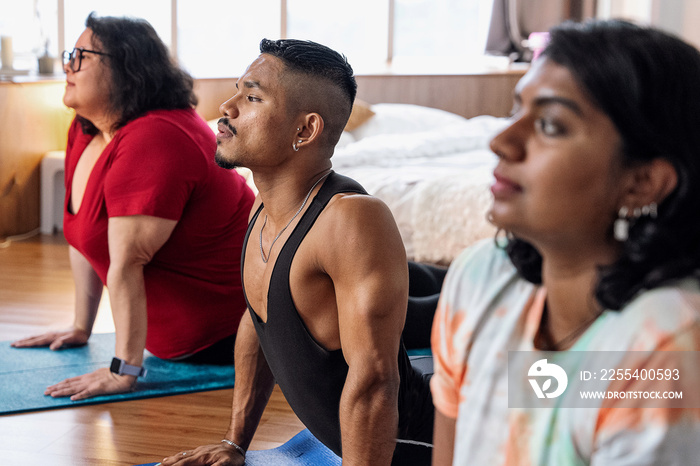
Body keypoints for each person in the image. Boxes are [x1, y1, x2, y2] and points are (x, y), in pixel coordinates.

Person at [430, 19, 700, 466]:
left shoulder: (664, 345)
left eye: (551, 126)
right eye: (517, 110)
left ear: (642, 183)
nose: (501, 141)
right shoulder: (480, 277)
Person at [161, 39, 434, 466]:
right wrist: (235, 443)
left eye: (251, 97)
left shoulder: (353, 220)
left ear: (305, 130)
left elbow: (375, 382)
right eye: (237, 91)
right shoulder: (264, 207)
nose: (227, 108)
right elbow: (257, 317)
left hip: (440, 435)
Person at [11, 14, 254, 400]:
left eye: (81, 55)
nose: (67, 66)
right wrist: (80, 327)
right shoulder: (86, 127)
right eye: (68, 54)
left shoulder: (157, 135)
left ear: (125, 66)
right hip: (172, 341)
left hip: (229, 335)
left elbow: (127, 260)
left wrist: (123, 370)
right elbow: (82, 237)